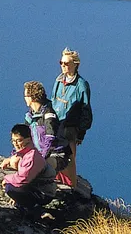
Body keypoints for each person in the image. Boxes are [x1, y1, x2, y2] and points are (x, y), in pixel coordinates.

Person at [50, 48, 92, 187]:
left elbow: (86, 110)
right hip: (56, 125)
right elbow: (53, 100)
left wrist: (81, 133)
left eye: (66, 63)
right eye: (61, 62)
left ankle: (71, 187)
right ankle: (57, 182)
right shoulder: (58, 80)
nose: (63, 65)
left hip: (70, 127)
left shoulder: (81, 85)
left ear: (75, 64)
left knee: (69, 158)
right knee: (54, 154)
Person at [0, 124, 57, 219]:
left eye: (19, 140)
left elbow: (23, 179)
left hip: (44, 192)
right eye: (13, 141)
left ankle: (37, 211)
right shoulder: (24, 154)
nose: (16, 144)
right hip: (37, 187)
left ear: (28, 139)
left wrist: (7, 179)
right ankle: (24, 206)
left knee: (10, 188)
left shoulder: (31, 156)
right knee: (14, 189)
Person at [23, 80, 70, 172]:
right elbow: (24, 138)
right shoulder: (29, 117)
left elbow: (50, 138)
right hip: (38, 155)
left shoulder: (48, 114)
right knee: (16, 162)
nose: (24, 98)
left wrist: (41, 157)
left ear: (32, 97)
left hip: (56, 154)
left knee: (36, 166)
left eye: (25, 96)